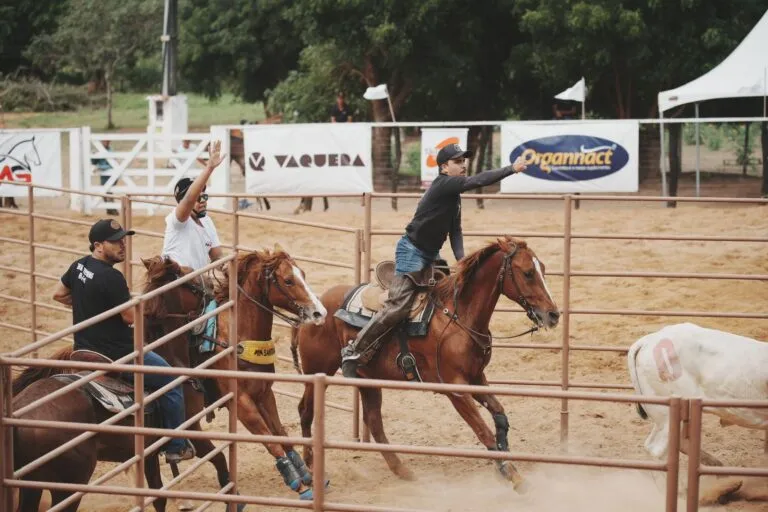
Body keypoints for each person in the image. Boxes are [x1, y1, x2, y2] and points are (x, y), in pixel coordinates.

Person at [340, 143, 528, 378]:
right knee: (398, 305)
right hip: (411, 251)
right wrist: (512, 168)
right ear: (444, 167)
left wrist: (462, 262)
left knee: (450, 295)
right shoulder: (443, 185)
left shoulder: (454, 197)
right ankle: (354, 350)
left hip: (430, 254)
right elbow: (476, 181)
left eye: (464, 161)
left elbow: (455, 231)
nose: (463, 165)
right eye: (458, 162)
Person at [52, 219, 195, 463]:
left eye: (123, 240)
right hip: (116, 353)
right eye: (115, 242)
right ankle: (175, 445)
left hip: (83, 350)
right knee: (171, 380)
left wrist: (92, 307)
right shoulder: (112, 277)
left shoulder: (78, 267)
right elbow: (129, 317)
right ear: (98, 245)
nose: (122, 245)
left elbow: (58, 293)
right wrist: (142, 308)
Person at [161, 140, 226, 271]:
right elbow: (189, 199)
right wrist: (209, 168)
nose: (202, 200)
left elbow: (217, 258)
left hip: (196, 285)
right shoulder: (177, 220)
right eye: (197, 197)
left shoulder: (207, 221)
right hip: (175, 281)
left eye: (204, 196)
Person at [91, 140, 118, 216]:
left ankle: (112, 210)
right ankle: (110, 210)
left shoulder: (110, 152)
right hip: (104, 175)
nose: (105, 143)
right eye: (103, 142)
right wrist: (94, 156)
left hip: (111, 175)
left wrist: (100, 167)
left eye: (106, 142)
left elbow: (112, 165)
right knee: (104, 192)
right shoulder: (99, 151)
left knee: (108, 192)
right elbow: (93, 162)